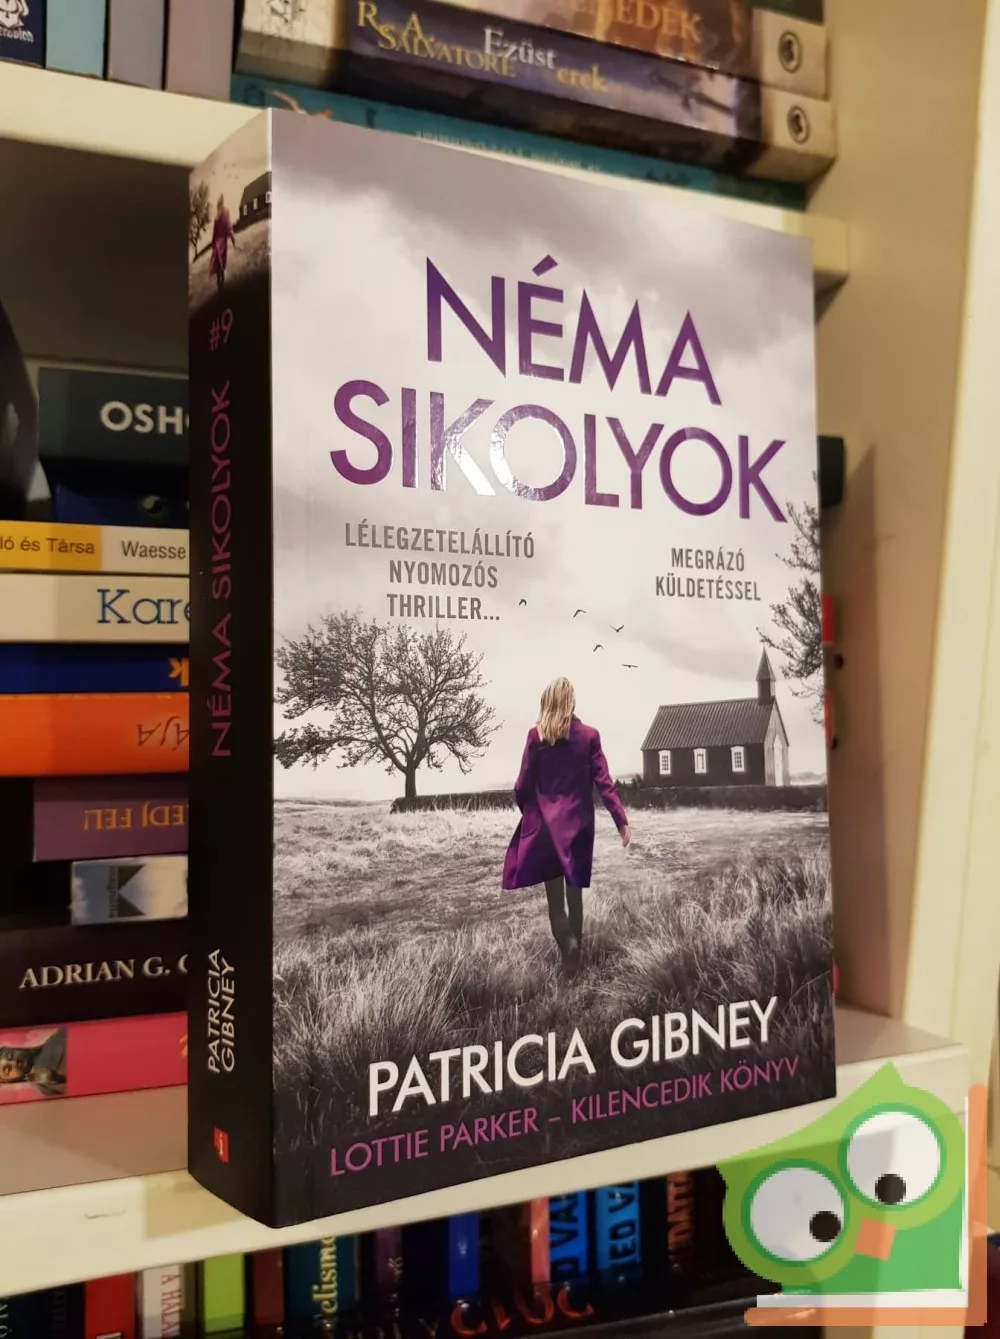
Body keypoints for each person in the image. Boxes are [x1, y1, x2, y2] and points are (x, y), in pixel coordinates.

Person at [502, 677, 630, 974]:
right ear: (571, 701)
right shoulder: (589, 736)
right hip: (579, 827)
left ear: (546, 702)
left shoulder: (536, 736)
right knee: (575, 896)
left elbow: (522, 785)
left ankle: (568, 950)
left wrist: (529, 813)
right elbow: (604, 783)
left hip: (546, 829)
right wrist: (621, 821)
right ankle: (576, 959)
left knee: (556, 903)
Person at [209, 194, 236, 291]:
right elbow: (229, 226)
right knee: (222, 264)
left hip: (217, 242)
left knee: (218, 264)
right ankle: (222, 285)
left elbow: (214, 231)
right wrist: (233, 238)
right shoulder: (226, 211)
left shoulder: (217, 215)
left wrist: (213, 243)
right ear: (223, 202)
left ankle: (219, 285)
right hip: (223, 242)